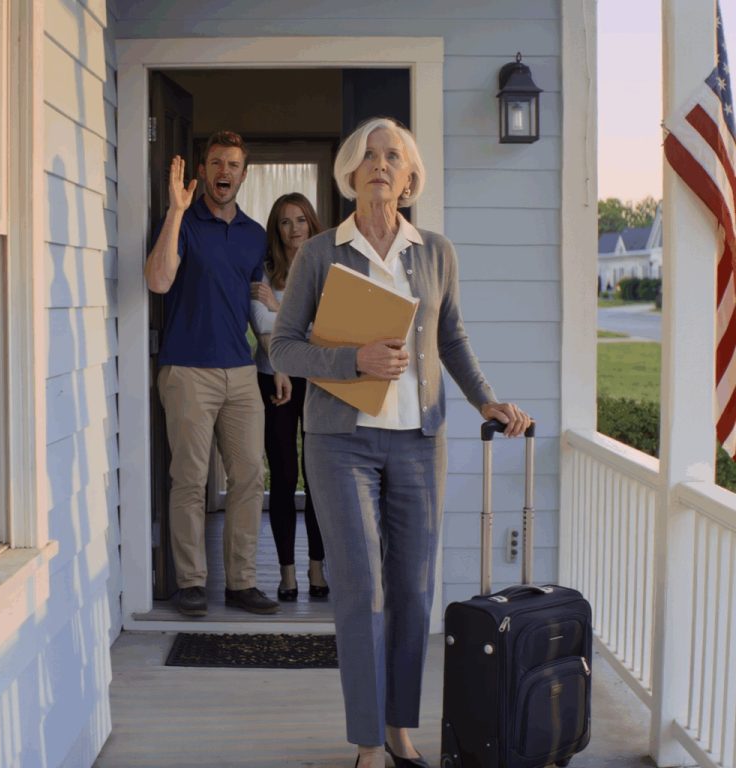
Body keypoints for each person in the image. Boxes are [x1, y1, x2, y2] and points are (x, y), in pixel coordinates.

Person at [270, 117, 531, 768]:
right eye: (368, 155)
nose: (380, 164)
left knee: (413, 591)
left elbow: (453, 340)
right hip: (339, 444)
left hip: (419, 442)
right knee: (361, 591)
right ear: (349, 174)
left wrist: (486, 399)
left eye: (394, 157)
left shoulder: (436, 252)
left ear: (410, 178)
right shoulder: (320, 253)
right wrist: (351, 359)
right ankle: (366, 743)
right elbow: (284, 347)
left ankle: (398, 730)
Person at [144, 130, 279, 618]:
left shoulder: (252, 233)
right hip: (187, 369)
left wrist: (273, 357)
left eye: (234, 165)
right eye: (217, 162)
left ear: (244, 174)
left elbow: (255, 303)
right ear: (202, 171)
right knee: (190, 478)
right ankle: (191, 583)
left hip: (240, 371)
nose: (225, 172)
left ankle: (242, 583)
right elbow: (158, 280)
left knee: (249, 477)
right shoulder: (182, 221)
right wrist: (177, 211)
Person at [250, 193, 330, 601]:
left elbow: (328, 326)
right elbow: (261, 324)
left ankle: (317, 568)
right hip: (274, 377)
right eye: (285, 222)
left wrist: (279, 307)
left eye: (301, 220)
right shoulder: (264, 270)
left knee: (316, 475)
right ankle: (287, 574)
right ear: (276, 229)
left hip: (318, 380)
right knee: (282, 476)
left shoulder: (327, 268)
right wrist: (291, 318)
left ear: (312, 225)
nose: (294, 229)